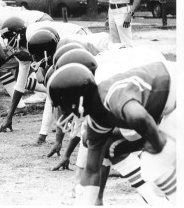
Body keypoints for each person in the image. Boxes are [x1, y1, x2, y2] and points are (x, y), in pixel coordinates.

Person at [47, 51, 176, 204]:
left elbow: (139, 117)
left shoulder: (110, 96)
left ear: (79, 99)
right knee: (115, 150)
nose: (64, 112)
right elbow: (92, 170)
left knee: (157, 167)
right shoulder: (97, 118)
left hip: (175, 96)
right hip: (164, 108)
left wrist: (159, 146)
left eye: (64, 106)